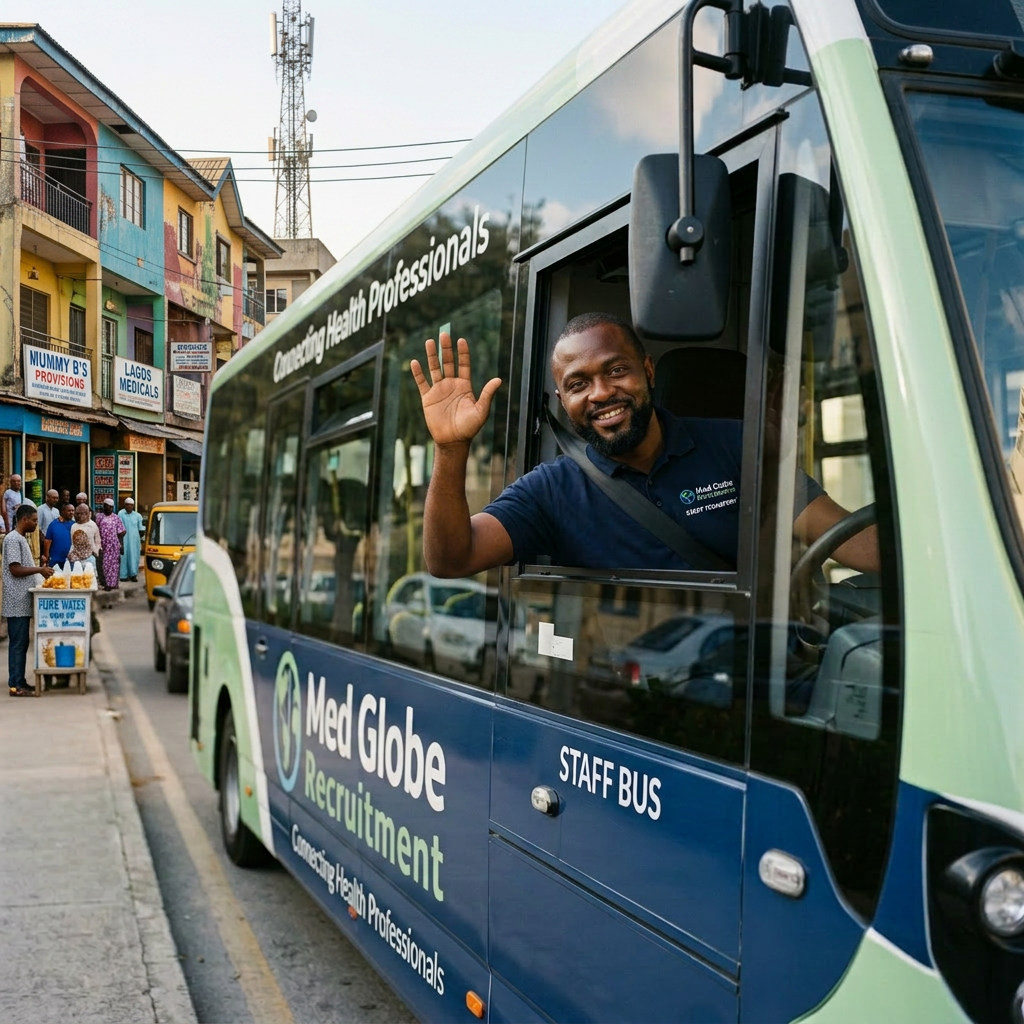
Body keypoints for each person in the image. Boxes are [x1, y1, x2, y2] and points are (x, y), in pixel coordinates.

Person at [411, 314, 879, 576]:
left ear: (648, 372)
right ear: (563, 400)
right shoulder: (550, 490)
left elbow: (843, 536)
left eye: (616, 370)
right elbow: (451, 559)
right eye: (579, 384)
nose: (601, 393)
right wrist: (451, 451)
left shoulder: (736, 446)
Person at [4, 505, 53, 696]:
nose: (35, 523)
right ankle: (16, 685)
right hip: (16, 601)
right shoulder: (13, 539)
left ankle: (20, 680)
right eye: (34, 520)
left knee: (22, 643)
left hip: (23, 601)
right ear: (24, 520)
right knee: (18, 644)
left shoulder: (20, 539)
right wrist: (39, 570)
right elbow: (15, 569)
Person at [95, 498, 126, 591]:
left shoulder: (116, 518)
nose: (109, 509)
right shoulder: (99, 517)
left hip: (114, 545)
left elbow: (122, 531)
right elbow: (95, 530)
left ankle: (114, 584)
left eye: (111, 507)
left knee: (114, 565)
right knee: (105, 565)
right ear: (104, 506)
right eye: (107, 507)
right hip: (103, 545)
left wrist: (120, 543)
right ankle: (107, 584)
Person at [118, 497, 144, 582]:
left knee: (134, 556)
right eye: (127, 505)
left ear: (133, 506)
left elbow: (141, 529)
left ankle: (133, 575)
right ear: (125, 505)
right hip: (123, 539)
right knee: (124, 557)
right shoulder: (121, 514)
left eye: (131, 505)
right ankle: (123, 575)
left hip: (134, 540)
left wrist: (138, 538)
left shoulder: (138, 516)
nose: (129, 506)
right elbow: (119, 527)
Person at [43, 503, 75, 568]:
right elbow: (47, 541)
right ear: (63, 511)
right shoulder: (53, 524)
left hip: (70, 561)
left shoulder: (74, 525)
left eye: (72, 510)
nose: (71, 512)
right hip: (55, 561)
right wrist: (46, 556)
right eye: (69, 511)